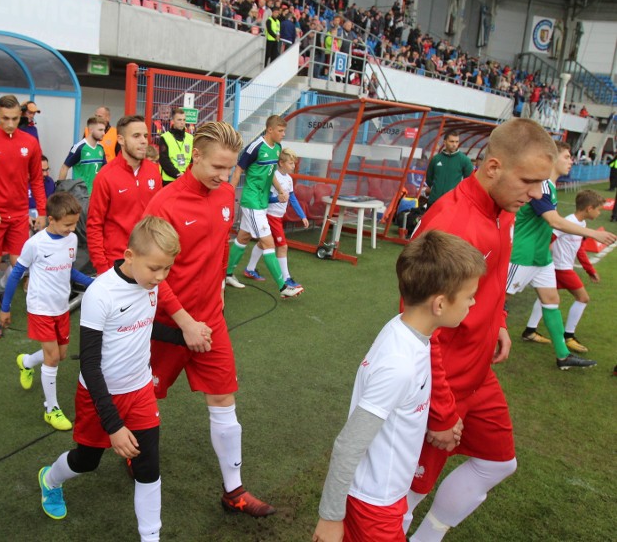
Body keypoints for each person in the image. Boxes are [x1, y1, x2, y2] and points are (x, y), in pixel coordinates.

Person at [403, 119, 555, 542]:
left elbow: (494, 274)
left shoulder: (502, 206)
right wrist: (439, 410)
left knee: (499, 461)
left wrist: (500, 320)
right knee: (409, 490)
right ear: (492, 167)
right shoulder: (453, 224)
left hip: (477, 368)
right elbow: (420, 326)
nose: (537, 194)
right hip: (439, 379)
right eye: (529, 181)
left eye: (542, 182)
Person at [36, 216, 211, 541]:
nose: (160, 277)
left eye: (166, 270)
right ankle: (50, 479)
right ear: (130, 256)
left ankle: (151, 537)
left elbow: (143, 325)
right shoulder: (100, 294)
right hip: (99, 396)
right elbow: (89, 364)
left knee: (148, 466)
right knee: (86, 461)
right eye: (154, 268)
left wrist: (181, 337)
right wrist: (114, 426)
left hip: (140, 391)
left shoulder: (150, 286)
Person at [313, 231, 485, 542]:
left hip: (384, 497)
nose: (474, 302)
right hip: (373, 505)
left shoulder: (408, 331)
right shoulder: (399, 364)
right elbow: (348, 445)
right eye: (470, 295)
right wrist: (329, 518)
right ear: (440, 304)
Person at [144, 121, 277, 518]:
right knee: (142, 399)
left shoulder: (225, 195)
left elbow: (218, 250)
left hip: (210, 321)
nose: (224, 177)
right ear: (195, 156)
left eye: (230, 169)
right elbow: (150, 273)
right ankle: (125, 453)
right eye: (218, 167)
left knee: (224, 401)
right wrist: (184, 321)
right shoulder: (164, 204)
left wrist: (215, 299)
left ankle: (233, 491)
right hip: (165, 326)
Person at [507, 141, 615, 368]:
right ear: (551, 159)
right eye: (567, 156)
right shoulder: (542, 187)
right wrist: (592, 234)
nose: (571, 161)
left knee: (551, 301)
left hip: (542, 259)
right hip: (523, 257)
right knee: (496, 301)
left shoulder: (551, 188)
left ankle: (563, 355)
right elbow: (555, 221)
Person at [0, 192, 94, 430]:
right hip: (40, 307)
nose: (72, 229)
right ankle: (51, 409)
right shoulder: (35, 244)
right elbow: (16, 274)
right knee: (52, 358)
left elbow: (69, 272)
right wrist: (5, 307)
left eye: (75, 224)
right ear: (51, 219)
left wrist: (94, 283)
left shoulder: (71, 240)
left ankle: (26, 362)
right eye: (67, 225)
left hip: (61, 307)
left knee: (60, 355)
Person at [0, 94, 46, 338]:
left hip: (19, 215)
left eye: (15, 118)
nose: (11, 123)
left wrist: (42, 212)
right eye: (6, 118)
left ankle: (3, 288)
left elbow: (36, 179)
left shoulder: (30, 142)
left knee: (20, 265)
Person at [226, 115, 304, 298]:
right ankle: (284, 287)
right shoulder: (255, 147)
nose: (283, 134)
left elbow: (271, 174)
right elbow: (238, 170)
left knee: (243, 237)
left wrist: (280, 190)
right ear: (270, 130)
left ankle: (226, 274)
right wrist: (227, 195)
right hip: (252, 201)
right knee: (268, 243)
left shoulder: (277, 148)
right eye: (280, 131)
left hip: (262, 202)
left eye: (284, 131)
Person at [522, 189, 607, 357]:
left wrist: (590, 270)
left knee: (545, 298)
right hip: (560, 268)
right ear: (589, 208)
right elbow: (548, 239)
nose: (599, 213)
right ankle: (569, 336)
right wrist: (542, 261)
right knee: (583, 298)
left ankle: (529, 331)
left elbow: (580, 250)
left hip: (562, 267)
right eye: (598, 210)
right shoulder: (567, 222)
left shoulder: (582, 225)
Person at [87, 114, 162, 275]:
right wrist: (101, 267)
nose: (144, 141)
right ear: (120, 139)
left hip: (147, 260)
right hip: (116, 263)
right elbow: (94, 224)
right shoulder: (105, 176)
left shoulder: (154, 171)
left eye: (145, 136)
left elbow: (158, 217)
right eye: (136, 136)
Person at [243, 148, 308, 287]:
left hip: (279, 217)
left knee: (263, 243)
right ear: (281, 163)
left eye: (294, 163)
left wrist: (302, 215)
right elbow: (266, 198)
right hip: (271, 216)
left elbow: (292, 198)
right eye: (291, 163)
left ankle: (249, 269)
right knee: (283, 246)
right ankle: (286, 279)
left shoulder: (289, 179)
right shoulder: (273, 176)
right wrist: (278, 199)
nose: (293, 166)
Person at [58, 116, 107, 193]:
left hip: (97, 193)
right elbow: (64, 168)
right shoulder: (79, 148)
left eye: (104, 130)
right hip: (82, 195)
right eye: (100, 130)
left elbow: (104, 170)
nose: (103, 133)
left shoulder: (100, 148)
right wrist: (59, 191)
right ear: (91, 130)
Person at [424, 130, 472, 207]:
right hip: (434, 201)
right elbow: (429, 178)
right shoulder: (436, 159)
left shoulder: (464, 160)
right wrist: (435, 190)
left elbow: (469, 181)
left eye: (457, 142)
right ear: (444, 142)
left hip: (452, 203)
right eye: (451, 141)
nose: (454, 144)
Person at [157, 107, 193, 186]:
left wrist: (186, 174)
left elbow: (192, 159)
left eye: (184, 120)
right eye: (179, 120)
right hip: (169, 179)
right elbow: (164, 160)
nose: (182, 122)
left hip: (186, 178)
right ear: (172, 121)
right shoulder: (165, 137)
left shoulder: (190, 138)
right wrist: (177, 174)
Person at [28, 155, 56, 230]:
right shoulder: (21, 183)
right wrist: (25, 217)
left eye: (47, 170)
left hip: (45, 219)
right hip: (27, 220)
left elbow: (52, 206)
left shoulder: (49, 182)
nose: (45, 174)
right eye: (42, 170)